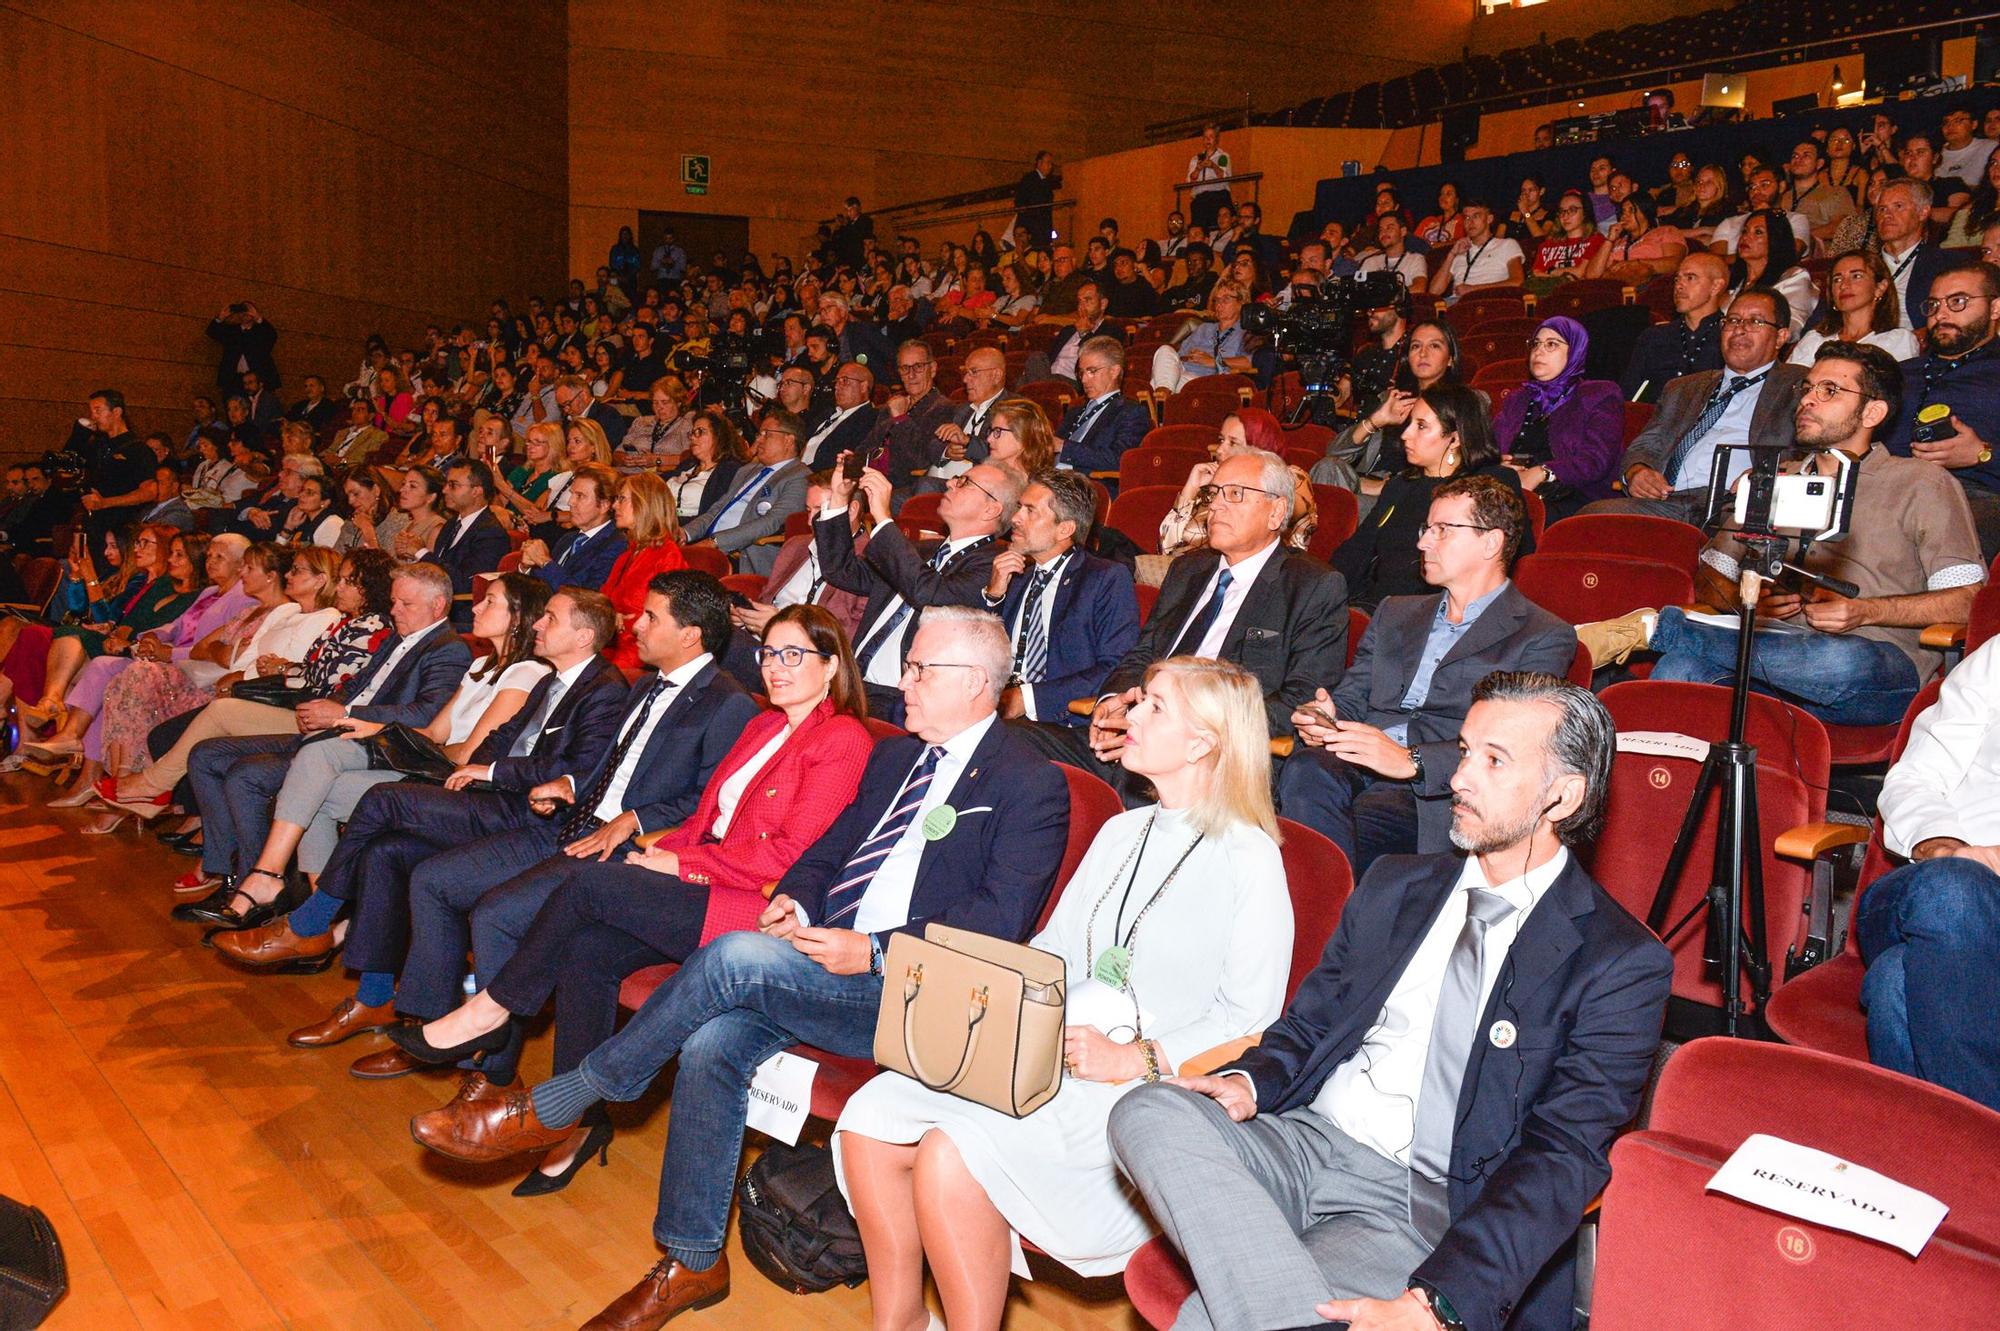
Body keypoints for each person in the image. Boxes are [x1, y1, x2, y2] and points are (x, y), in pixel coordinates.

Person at [406, 608, 1070, 1330]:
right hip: (819, 954)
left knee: (733, 954)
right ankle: (692, 1260)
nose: (900, 681)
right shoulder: (899, 756)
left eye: (918, 669)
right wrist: (796, 897)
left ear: (975, 682)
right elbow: (828, 850)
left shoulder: (1028, 782)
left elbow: (998, 923)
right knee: (713, 1042)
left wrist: (875, 949)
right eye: (905, 665)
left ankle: (563, 1102)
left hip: (910, 989)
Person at [1109, 672, 1672, 1331]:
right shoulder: (1397, 884)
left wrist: (1438, 1301)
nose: (1460, 779)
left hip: (1418, 1205)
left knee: (1209, 1319)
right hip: (1298, 1141)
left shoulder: (1618, 960)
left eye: (1494, 760)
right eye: (1464, 751)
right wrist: (1250, 1080)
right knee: (1148, 1109)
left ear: (1563, 795)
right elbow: (1309, 1021)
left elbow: (1563, 1152)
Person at [838, 657, 1291, 1321]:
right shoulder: (1122, 829)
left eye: (1154, 707)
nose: (1126, 715)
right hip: (1050, 1050)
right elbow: (1051, 951)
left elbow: (1252, 1021)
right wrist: (977, 993)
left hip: (1146, 1086)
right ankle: (901, 1320)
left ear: (1203, 742)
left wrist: (1133, 1057)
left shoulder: (1250, 858)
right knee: (871, 1118)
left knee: (949, 1152)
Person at [390, 605, 872, 1171]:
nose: (776, 667)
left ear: (832, 664)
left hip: (752, 908)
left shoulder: (842, 738)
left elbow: (786, 855)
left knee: (590, 885)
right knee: (587, 949)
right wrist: (665, 851)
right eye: (768, 653)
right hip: (706, 878)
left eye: (794, 654)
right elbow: (705, 816)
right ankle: (575, 1120)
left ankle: (491, 1010)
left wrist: (683, 866)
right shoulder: (763, 724)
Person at [250, 573, 753, 1073]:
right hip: (568, 820)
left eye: (650, 616)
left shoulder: (725, 701)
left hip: (622, 844)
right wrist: (569, 787)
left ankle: (488, 1070)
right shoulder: (647, 685)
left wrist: (630, 818)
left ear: (689, 634)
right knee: (428, 875)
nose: (635, 625)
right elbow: (611, 766)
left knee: (491, 912)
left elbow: (708, 803)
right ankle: (428, 1028)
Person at [1638, 342, 1980, 727]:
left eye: (1829, 390)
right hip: (1775, 653)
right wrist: (1746, 603)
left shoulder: (1920, 483)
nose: (1808, 400)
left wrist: (1865, 611)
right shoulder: (1773, 478)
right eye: (1807, 388)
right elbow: (1709, 579)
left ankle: (1652, 629)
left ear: (1873, 411)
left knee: (1839, 658)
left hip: (1870, 667)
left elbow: (1968, 602)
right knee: (1680, 665)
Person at [204, 575, 555, 926]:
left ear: (518, 616)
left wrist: (384, 731)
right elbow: (434, 732)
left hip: (457, 783)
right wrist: (377, 730)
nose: (475, 606)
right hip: (429, 762)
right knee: (314, 785)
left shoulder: (527, 673)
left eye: (490, 601)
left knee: (316, 773)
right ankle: (320, 911)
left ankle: (287, 892)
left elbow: (469, 755)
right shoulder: (480, 666)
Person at [1282, 476, 1575, 872]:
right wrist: (1326, 718)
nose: (1422, 543)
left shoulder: (1541, 635)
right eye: (1427, 529)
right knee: (1304, 769)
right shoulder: (1395, 611)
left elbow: (1511, 743)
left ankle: (1328, 907)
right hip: (1357, 761)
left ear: (1491, 542)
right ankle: (1329, 905)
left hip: (1438, 792)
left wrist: (1412, 760)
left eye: (1442, 531)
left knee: (1356, 820)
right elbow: (1352, 696)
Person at [1031, 449, 1345, 796]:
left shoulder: (1313, 585)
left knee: (1136, 792)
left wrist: (1189, 725)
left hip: (1216, 755)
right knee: (1009, 741)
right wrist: (1113, 698)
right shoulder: (1189, 569)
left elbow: (1301, 699)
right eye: (1213, 493)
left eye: (1236, 494)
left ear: (1276, 512)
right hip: (1140, 733)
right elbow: (1145, 652)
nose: (1216, 506)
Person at [178, 562, 472, 921]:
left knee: (246, 775)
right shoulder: (399, 637)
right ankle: (224, 872)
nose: (393, 610)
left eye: (405, 604)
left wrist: (342, 713)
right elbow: (359, 683)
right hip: (335, 734)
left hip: (371, 747)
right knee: (208, 754)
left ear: (438, 605)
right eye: (394, 602)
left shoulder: (448, 649)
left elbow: (424, 715)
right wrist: (327, 706)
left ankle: (260, 887)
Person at [98, 549, 391, 823]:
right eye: (339, 580)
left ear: (368, 587)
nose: (339, 587)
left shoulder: (370, 626)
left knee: (220, 714)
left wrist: (283, 670)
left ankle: (154, 785)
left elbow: (329, 681)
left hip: (316, 717)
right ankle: (169, 803)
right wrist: (287, 669)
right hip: (298, 705)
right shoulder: (348, 622)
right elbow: (310, 671)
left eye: (347, 581)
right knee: (201, 740)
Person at [1860, 629, 2000, 1113]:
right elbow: (1916, 777)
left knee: (1895, 983)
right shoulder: (1998, 659)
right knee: (1954, 892)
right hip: (1941, 885)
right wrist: (1944, 846)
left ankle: (1937, 1167)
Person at [819, 456, 1013, 720]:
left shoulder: (993, 565)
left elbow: (928, 594)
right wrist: (840, 499)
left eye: (964, 482)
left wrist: (883, 517)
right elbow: (841, 571)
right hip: (852, 683)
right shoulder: (920, 551)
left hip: (901, 699)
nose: (950, 484)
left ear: (991, 510)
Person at [1590, 287, 1803, 522]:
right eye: (1732, 320)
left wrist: (1767, 475)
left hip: (1733, 505)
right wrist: (1637, 471)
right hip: (1664, 501)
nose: (1739, 329)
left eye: (1755, 321)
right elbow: (1648, 444)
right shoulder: (1682, 388)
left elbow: (1810, 451)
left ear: (1781, 337)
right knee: (1588, 520)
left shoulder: (1800, 385)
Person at [1335, 385, 1529, 610]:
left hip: (1441, 614)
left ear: (1454, 439)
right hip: (1377, 607)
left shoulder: (1489, 484)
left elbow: (1504, 564)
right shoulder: (1400, 485)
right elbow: (1357, 551)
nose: (1406, 435)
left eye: (1421, 426)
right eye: (1410, 424)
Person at [983, 469, 1140, 727]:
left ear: (1065, 529)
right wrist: (994, 596)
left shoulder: (1104, 578)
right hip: (994, 707)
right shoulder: (1015, 573)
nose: (1016, 518)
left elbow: (1117, 667)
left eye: (1030, 511)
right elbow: (978, 650)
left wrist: (1028, 699)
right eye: (1019, 507)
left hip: (1055, 720)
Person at [1882, 262, 2000, 563]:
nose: (1940, 314)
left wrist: (1982, 453)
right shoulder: (1897, 373)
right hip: (1881, 489)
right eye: (1933, 305)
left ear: (1995, 308)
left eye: (1957, 302)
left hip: (1969, 495)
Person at [1493, 316, 1626, 522]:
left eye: (1551, 344)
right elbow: (1488, 447)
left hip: (1575, 497)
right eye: (1536, 344)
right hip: (1515, 492)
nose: (1539, 351)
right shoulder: (1518, 399)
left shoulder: (1598, 395)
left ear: (1574, 352)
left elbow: (1595, 461)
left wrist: (1542, 472)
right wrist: (1498, 464)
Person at [1319, 320, 1465, 491]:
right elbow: (1334, 453)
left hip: (1415, 492)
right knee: (1326, 467)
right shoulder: (1392, 399)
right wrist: (1377, 420)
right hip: (1369, 484)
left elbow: (1467, 464)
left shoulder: (1465, 403)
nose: (1423, 353)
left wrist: (1392, 486)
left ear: (1450, 359)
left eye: (1434, 346)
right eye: (1416, 346)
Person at [682, 407, 810, 576]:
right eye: (759, 434)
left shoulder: (799, 476)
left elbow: (771, 522)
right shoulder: (748, 470)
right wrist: (685, 532)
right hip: (708, 543)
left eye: (767, 434)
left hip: (741, 555)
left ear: (788, 440)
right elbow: (716, 510)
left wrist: (715, 542)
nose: (759, 440)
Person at [600, 473, 691, 672]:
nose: (614, 506)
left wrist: (623, 620)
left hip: (642, 655)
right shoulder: (627, 555)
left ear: (645, 504)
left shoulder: (667, 555)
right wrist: (610, 615)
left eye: (622, 499)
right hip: (610, 646)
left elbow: (669, 621)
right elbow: (604, 601)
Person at [1620, 250, 1730, 403]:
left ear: (1716, 286)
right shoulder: (1655, 336)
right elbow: (1629, 395)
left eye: (1690, 278)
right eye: (1677, 279)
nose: (1679, 285)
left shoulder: (1730, 337)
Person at [1789, 249, 1921, 366]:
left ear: (1880, 288)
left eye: (1856, 276)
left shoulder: (1898, 340)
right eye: (1837, 279)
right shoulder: (1814, 340)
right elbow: (1789, 388)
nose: (1844, 285)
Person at [419, 460, 510, 627]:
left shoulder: (491, 534)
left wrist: (421, 553)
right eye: (447, 484)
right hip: (435, 607)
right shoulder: (451, 524)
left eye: (453, 485)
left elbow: (465, 584)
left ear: (476, 491)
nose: (445, 490)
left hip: (461, 616)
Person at [516, 464, 626, 594]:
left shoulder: (616, 545)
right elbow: (542, 586)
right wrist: (527, 568)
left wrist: (544, 561)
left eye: (580, 496)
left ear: (604, 505)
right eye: (572, 494)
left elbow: (587, 597)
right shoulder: (568, 538)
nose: (570, 502)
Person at [1876, 179, 1965, 332]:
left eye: (1898, 206)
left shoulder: (1947, 264)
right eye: (1882, 209)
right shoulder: (1862, 266)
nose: (1887, 215)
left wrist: (1928, 334)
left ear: (1923, 212)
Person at [1054, 336, 1151, 476]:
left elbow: (1119, 460)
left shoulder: (1131, 412)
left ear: (1114, 371)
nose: (1084, 379)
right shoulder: (1073, 412)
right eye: (1081, 372)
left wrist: (1063, 446)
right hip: (1052, 479)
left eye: (1092, 371)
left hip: (1088, 486)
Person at [921, 348, 1010, 489]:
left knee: (924, 487)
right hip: (934, 480)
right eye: (965, 372)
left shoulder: (1012, 410)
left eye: (974, 372)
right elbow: (932, 445)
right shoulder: (963, 409)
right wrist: (947, 451)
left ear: (996, 375)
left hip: (972, 489)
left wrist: (967, 442)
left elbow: (1002, 456)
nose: (965, 379)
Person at [1152, 280, 1254, 394]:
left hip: (1209, 380)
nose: (1219, 304)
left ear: (1242, 303)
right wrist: (1190, 357)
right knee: (1165, 350)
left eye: (1226, 299)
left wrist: (1214, 361)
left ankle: (1161, 399)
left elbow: (1250, 362)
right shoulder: (1204, 328)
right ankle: (1162, 397)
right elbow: (1179, 357)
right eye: (1217, 300)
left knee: (1158, 382)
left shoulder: (1247, 332)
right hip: (1182, 374)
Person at [1725, 209, 1814, 338]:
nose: (1745, 237)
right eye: (1744, 231)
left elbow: (1791, 327)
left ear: (1776, 240)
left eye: (1758, 232)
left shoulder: (1794, 277)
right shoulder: (1732, 280)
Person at [1426, 199, 1524, 302]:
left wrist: (1473, 289)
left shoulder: (1506, 245)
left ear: (1489, 219)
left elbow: (1517, 281)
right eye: (1467, 217)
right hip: (1455, 304)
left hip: (1487, 301)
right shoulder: (1459, 251)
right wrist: (1451, 255)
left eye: (1476, 216)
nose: (1470, 222)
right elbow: (1434, 292)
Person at [665, 409, 748, 527]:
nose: (693, 437)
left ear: (719, 436)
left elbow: (716, 515)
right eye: (693, 432)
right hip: (664, 523)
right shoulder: (688, 465)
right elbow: (658, 481)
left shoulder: (729, 470)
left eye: (700, 431)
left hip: (693, 530)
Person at [1583, 192, 1687, 286]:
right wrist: (1609, 240)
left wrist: (1635, 263)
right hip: (1613, 289)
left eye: (1631, 210)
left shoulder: (1665, 231)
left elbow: (1675, 263)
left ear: (1645, 211)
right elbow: (1592, 275)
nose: (1624, 216)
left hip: (1649, 287)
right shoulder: (1618, 241)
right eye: (1623, 211)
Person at [1777, 137, 1857, 249]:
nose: (1798, 160)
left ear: (1819, 163)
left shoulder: (1836, 192)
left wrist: (1802, 238)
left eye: (1806, 155)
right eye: (1795, 156)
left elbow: (1842, 227)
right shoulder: (1783, 196)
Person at [800, 363, 881, 471]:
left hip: (820, 475)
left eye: (845, 380)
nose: (837, 386)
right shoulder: (827, 413)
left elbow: (844, 459)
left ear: (863, 387)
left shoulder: (869, 419)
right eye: (837, 381)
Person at [1525, 191, 1607, 294]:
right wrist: (1563, 276)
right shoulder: (1547, 244)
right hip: (1547, 294)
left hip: (1579, 294)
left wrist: (1550, 271)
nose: (1565, 216)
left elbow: (1580, 272)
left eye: (1572, 210)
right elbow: (1536, 273)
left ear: (1585, 213)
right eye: (1562, 211)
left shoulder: (1596, 239)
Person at [206, 302, 279, 394]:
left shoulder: (261, 330)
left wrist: (258, 318)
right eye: (242, 311)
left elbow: (272, 336)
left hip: (258, 378)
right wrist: (220, 318)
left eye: (248, 311)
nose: (245, 314)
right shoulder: (232, 331)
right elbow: (212, 332)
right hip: (234, 378)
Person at [1354, 215, 1428, 293]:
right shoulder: (1369, 261)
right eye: (1381, 230)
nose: (1384, 233)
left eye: (1389, 228)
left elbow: (1419, 288)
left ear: (1403, 231)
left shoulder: (1415, 259)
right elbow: (1356, 290)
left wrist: (1388, 297)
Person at [1186, 123, 1234, 230]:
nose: (1208, 140)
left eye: (1211, 137)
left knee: (1215, 227)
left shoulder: (1223, 156)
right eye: (1205, 137)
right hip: (1200, 200)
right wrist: (1198, 168)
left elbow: (1226, 177)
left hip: (1218, 197)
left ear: (1216, 139)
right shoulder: (1195, 159)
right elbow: (1190, 180)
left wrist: (1213, 166)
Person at [1013, 149, 1058, 246]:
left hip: (1043, 225)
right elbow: (1021, 200)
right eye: (1048, 163)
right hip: (1033, 225)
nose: (1050, 166)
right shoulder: (1029, 179)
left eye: (1051, 164)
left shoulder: (1047, 182)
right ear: (1039, 163)